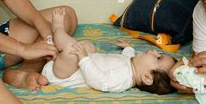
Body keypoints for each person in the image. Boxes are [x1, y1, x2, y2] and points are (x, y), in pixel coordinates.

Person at [43, 8, 177, 94]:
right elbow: (128, 58)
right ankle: (59, 52)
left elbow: (99, 80)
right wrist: (128, 48)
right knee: (89, 47)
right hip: (69, 67)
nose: (155, 51)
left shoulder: (123, 79)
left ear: (147, 77)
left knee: (72, 49)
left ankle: (58, 29)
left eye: (158, 58)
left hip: (63, 75)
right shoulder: (131, 65)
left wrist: (84, 59)